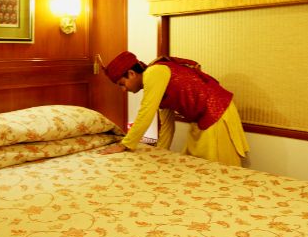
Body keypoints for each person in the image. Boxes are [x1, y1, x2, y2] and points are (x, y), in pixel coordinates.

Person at [100, 51, 249, 166]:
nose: (123, 90)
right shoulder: (155, 81)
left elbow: (146, 112)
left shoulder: (154, 73)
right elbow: (167, 125)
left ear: (131, 74)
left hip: (216, 111)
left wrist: (125, 144)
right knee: (197, 164)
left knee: (215, 167)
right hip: (204, 117)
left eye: (122, 84)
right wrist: (159, 152)